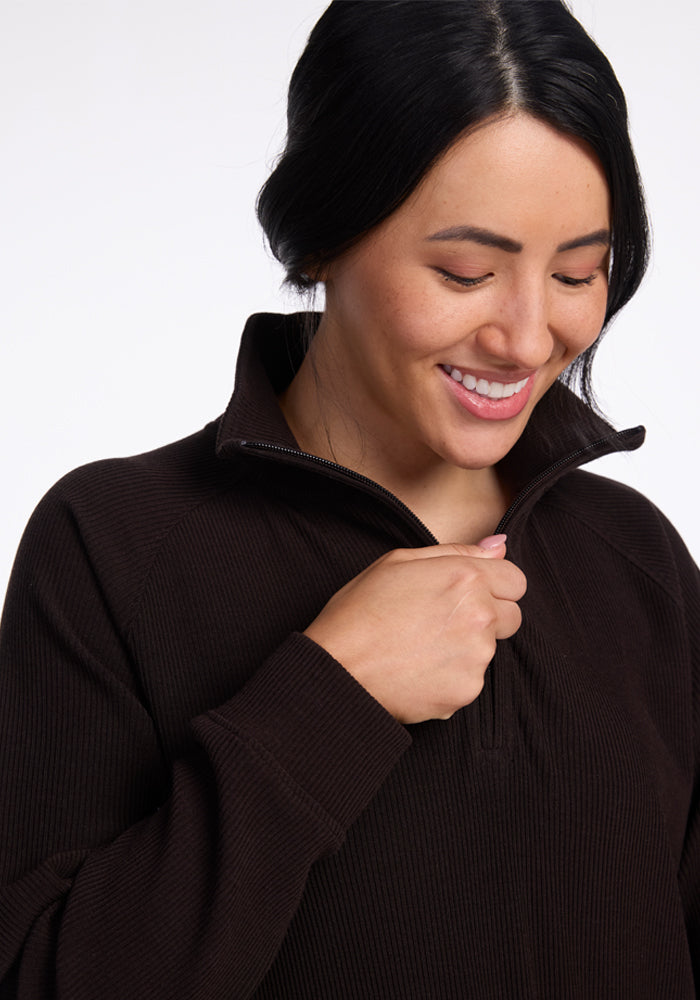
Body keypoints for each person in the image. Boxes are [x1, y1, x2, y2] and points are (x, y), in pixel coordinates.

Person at [1, 0, 698, 996]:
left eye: (579, 271)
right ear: (323, 235)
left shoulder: (638, 564)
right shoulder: (110, 547)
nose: (528, 335)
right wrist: (327, 696)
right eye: (466, 271)